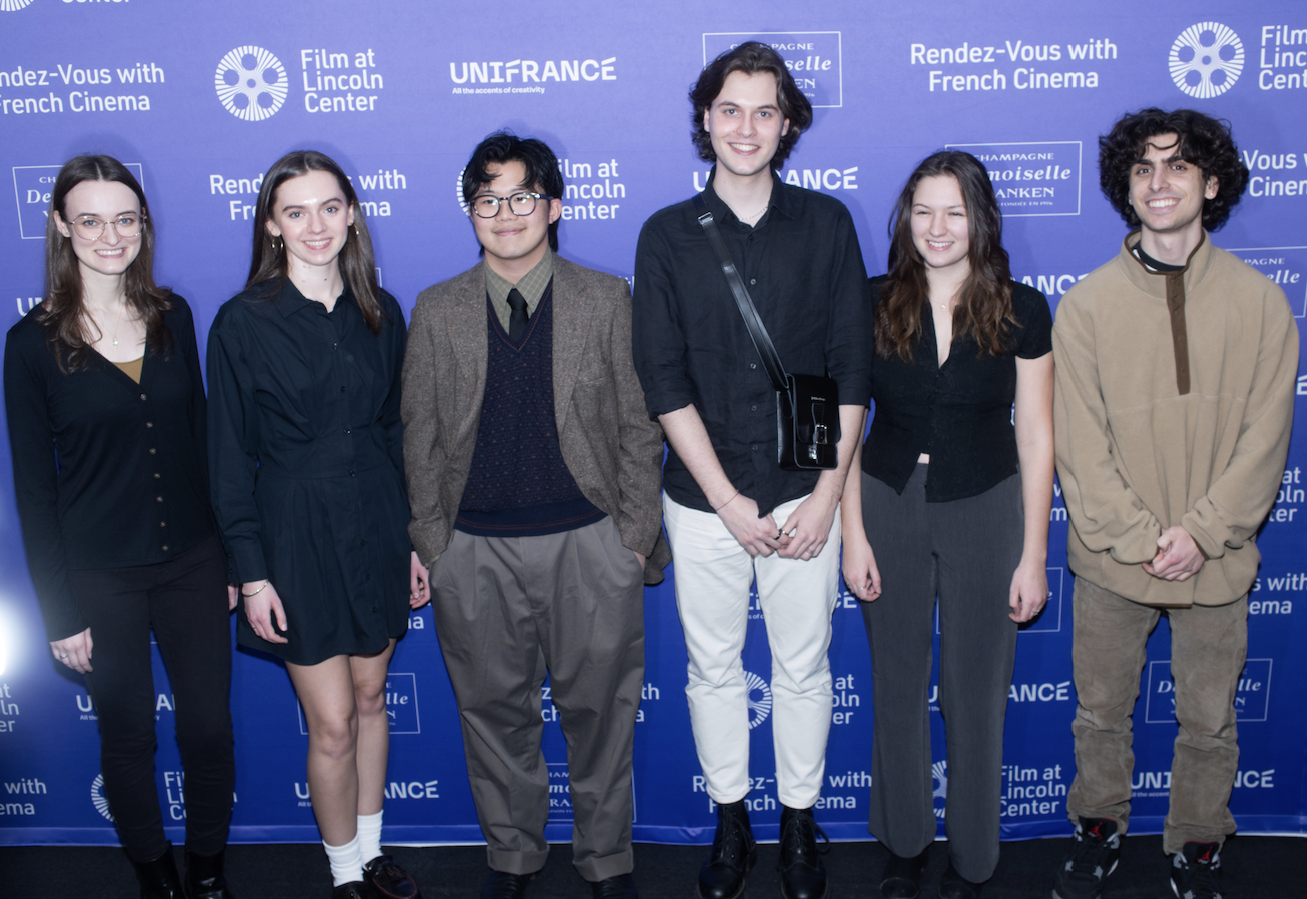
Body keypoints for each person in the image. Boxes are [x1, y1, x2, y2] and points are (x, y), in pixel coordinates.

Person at [402, 131, 667, 899]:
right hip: (473, 550)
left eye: (521, 196)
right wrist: (433, 541)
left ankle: (606, 859)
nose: (505, 212)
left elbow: (635, 425)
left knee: (602, 715)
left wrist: (630, 539)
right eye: (488, 199)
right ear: (471, 212)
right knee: (491, 716)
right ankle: (513, 855)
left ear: (553, 206)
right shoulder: (437, 308)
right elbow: (417, 436)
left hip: (589, 543)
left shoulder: (604, 296)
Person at [632, 42, 869, 899]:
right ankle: (730, 821)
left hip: (809, 495)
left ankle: (798, 823)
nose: (746, 126)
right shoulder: (665, 235)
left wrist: (826, 496)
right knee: (713, 669)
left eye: (764, 110)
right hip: (704, 502)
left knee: (806, 667)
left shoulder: (828, 224)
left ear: (788, 122)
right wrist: (728, 501)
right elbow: (661, 380)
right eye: (729, 109)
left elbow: (851, 368)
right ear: (706, 118)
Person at [1049, 109, 1297, 899]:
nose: (1160, 183)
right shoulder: (1083, 306)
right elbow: (1078, 446)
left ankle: (1196, 842)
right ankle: (1097, 827)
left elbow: (1266, 440)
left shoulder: (1262, 304)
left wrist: (1200, 532)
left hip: (1216, 561)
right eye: (1144, 169)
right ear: (1126, 188)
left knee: (1209, 721)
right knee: (1099, 713)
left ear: (1210, 184)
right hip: (1111, 561)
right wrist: (1138, 537)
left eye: (1178, 167)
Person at [4, 156, 237, 899]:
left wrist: (232, 555)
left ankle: (206, 868)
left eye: (126, 218)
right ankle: (155, 874)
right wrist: (59, 610)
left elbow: (204, 441)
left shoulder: (175, 316)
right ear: (62, 229)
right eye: (92, 219)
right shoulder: (29, 345)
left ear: (145, 226)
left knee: (207, 729)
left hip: (194, 562)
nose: (112, 234)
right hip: (98, 574)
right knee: (128, 734)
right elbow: (35, 493)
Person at [206, 150, 423, 899]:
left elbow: (396, 432)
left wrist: (413, 542)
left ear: (353, 213)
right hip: (292, 535)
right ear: (271, 225)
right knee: (331, 721)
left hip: (377, 523)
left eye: (329, 206)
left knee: (370, 700)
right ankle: (342, 873)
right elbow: (228, 456)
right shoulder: (242, 322)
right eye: (295, 211)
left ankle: (372, 851)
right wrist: (250, 569)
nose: (315, 225)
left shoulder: (381, 311)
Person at [839, 151, 1053, 899]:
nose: (937, 227)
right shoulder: (867, 301)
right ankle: (903, 845)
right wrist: (852, 533)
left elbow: (1035, 435)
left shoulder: (1023, 307)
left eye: (954, 211)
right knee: (896, 682)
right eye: (923, 210)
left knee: (974, 689)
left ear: (980, 220)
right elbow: (845, 426)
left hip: (986, 502)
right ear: (905, 218)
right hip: (886, 498)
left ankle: (973, 856)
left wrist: (1033, 556)